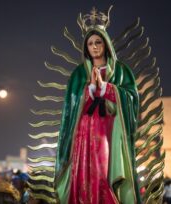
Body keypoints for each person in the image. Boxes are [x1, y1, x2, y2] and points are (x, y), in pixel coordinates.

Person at [54, 7, 141, 204]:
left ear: (106, 44)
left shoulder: (120, 71)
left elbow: (132, 98)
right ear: (86, 47)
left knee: (103, 169)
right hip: (83, 131)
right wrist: (89, 89)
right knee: (82, 170)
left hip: (107, 131)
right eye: (90, 43)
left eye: (98, 42)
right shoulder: (78, 74)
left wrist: (107, 88)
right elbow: (71, 106)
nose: (94, 47)